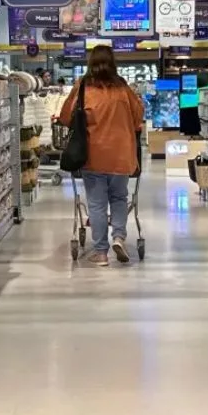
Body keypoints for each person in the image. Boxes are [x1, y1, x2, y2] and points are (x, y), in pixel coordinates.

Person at [57, 45, 145, 266]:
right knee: (119, 198)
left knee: (96, 204)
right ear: (113, 62)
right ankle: (119, 237)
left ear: (90, 63)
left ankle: (101, 253)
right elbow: (138, 118)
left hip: (93, 155)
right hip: (122, 155)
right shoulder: (123, 88)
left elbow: (65, 117)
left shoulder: (83, 87)